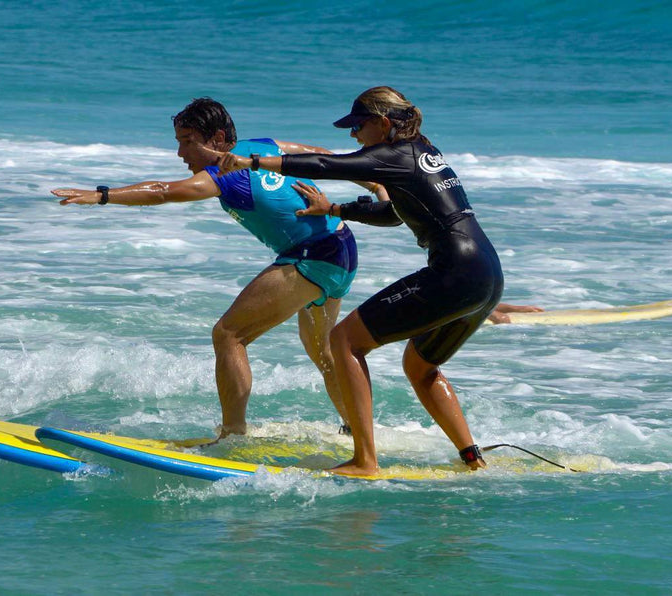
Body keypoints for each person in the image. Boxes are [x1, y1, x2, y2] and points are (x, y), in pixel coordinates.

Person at [211, 86, 504, 475]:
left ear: (383, 123)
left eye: (358, 126)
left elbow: (326, 166)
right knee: (421, 368)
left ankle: (365, 460)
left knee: (344, 340)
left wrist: (255, 162)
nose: (353, 136)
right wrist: (333, 208)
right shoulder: (423, 151)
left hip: (454, 271)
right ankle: (472, 458)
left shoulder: (393, 153)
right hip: (486, 273)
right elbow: (392, 213)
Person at [51, 98, 385, 437]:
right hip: (342, 248)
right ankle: (357, 431)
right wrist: (372, 183)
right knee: (324, 351)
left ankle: (232, 436)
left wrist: (102, 195)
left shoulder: (223, 175)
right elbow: (319, 154)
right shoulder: (262, 147)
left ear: (217, 138)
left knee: (228, 335)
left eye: (187, 141)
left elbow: (163, 192)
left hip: (312, 257)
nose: (181, 153)